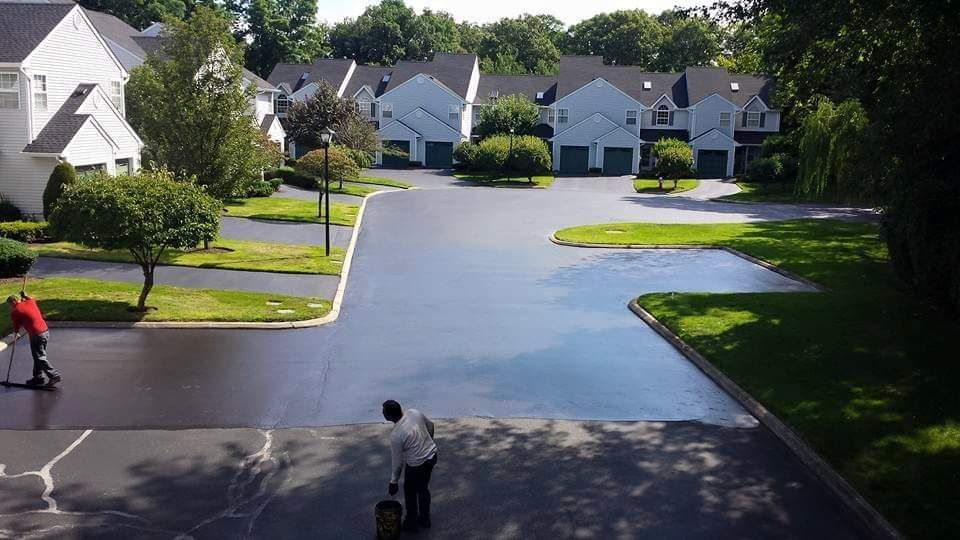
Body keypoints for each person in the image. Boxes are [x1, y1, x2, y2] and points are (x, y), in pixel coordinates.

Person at [383, 399, 438, 532]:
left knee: (410, 490)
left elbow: (398, 462)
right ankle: (425, 519)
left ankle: (411, 522)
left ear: (389, 416)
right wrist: (427, 443)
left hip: (417, 464)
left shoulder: (396, 435)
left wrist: (393, 482)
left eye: (384, 411)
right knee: (423, 488)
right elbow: (431, 425)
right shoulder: (414, 412)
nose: (382, 413)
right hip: (432, 455)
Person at [8, 292, 60, 386]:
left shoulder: (15, 311)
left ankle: (54, 375)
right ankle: (38, 377)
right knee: (38, 356)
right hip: (45, 331)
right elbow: (31, 298)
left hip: (36, 334)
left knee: (39, 357)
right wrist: (25, 295)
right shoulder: (30, 302)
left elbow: (16, 326)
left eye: (10, 304)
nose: (10, 306)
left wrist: (15, 334)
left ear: (14, 301)